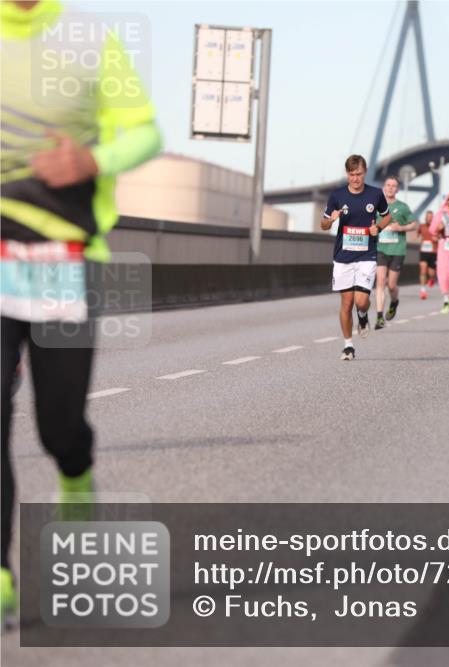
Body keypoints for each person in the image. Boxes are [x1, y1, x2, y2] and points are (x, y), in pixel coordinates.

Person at [1, 0, 162, 624]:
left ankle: (75, 476)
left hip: (65, 261)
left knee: (58, 426)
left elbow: (145, 132)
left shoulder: (88, 40)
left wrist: (94, 160)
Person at [321, 155, 392, 360]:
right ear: (347, 174)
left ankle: (362, 315)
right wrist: (331, 220)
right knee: (346, 303)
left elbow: (387, 216)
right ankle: (348, 346)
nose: (355, 178)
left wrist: (378, 227)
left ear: (365, 172)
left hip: (366, 255)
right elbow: (323, 224)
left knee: (361, 301)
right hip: (343, 256)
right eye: (351, 175)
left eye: (359, 174)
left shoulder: (375, 194)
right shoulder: (337, 196)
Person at [374, 176, 418, 329]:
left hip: (397, 249)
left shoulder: (403, 207)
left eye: (393, 186)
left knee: (391, 285)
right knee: (380, 281)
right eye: (388, 185)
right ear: (384, 188)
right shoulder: (376, 206)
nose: (390, 188)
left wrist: (401, 228)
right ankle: (379, 316)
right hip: (380, 248)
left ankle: (394, 301)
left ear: (397, 190)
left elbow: (414, 224)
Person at [417, 210, 437, 300]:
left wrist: (437, 239)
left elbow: (441, 237)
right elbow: (417, 235)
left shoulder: (437, 227)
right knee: (423, 269)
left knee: (431, 273)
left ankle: (432, 278)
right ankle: (423, 290)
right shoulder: (421, 226)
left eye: (431, 217)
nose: (429, 219)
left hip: (433, 252)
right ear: (425, 218)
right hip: (424, 251)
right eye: (428, 217)